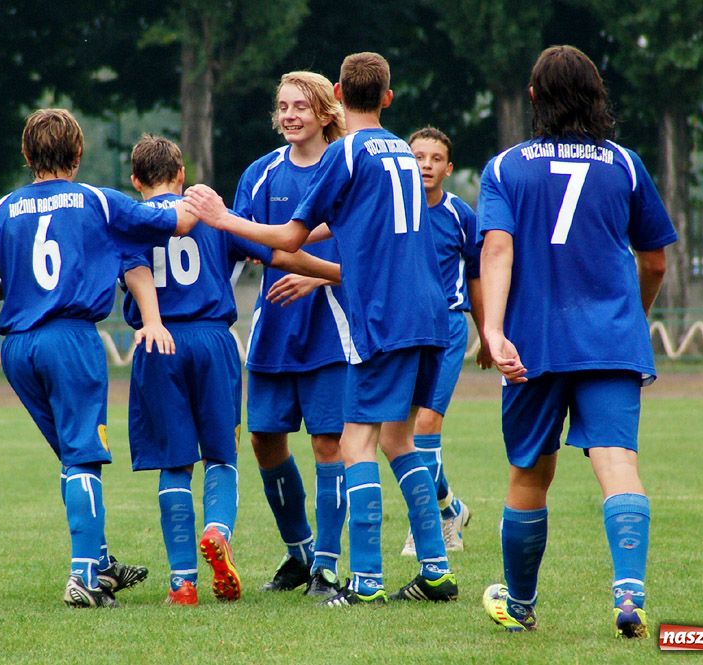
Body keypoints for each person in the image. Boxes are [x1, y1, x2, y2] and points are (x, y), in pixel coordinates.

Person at [186, 52, 458, 607]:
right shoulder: (403, 153)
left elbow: (287, 238)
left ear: (336, 93)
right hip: (429, 311)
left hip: (381, 316)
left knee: (355, 441)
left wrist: (221, 218)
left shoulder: (348, 153)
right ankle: (435, 569)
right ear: (387, 96)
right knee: (400, 440)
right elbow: (341, 229)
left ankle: (366, 582)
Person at [477, 46, 677, 638]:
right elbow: (657, 262)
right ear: (597, 94)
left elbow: (496, 248)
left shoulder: (506, 167)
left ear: (533, 98)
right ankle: (630, 596)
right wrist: (631, 318)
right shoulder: (625, 164)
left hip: (533, 344)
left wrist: (492, 330)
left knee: (529, 475)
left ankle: (519, 604)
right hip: (611, 342)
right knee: (619, 464)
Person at [0, 108, 198, 609]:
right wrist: (204, 205)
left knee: (72, 460)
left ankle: (103, 561)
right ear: (78, 153)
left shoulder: (1, 209)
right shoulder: (95, 200)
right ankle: (84, 577)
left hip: (19, 347)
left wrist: (25, 288)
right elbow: (174, 219)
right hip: (70, 340)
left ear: (27, 155)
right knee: (82, 457)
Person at [119, 134, 341, 606]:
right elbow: (279, 252)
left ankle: (182, 583)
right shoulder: (212, 215)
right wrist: (334, 271)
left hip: (160, 343)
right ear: (181, 176)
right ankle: (218, 530)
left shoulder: (129, 222)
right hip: (213, 341)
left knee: (174, 464)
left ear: (135, 181)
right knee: (221, 454)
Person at [233, 71, 349, 598]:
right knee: (264, 440)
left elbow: (367, 247)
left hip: (332, 330)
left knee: (329, 444)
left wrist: (314, 274)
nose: (289, 115)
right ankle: (299, 552)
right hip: (274, 331)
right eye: (282, 106)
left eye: (301, 106)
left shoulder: (347, 169)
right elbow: (239, 245)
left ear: (326, 112)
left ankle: (326, 567)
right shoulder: (260, 175)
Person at [400, 127, 491, 557]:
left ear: (448, 168)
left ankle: (426, 527)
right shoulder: (396, 212)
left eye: (435, 159)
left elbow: (476, 277)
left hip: (449, 329)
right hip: (404, 328)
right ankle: (450, 506)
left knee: (425, 427)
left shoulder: (461, 215)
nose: (426, 165)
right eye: (418, 157)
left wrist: (487, 333)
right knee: (396, 433)